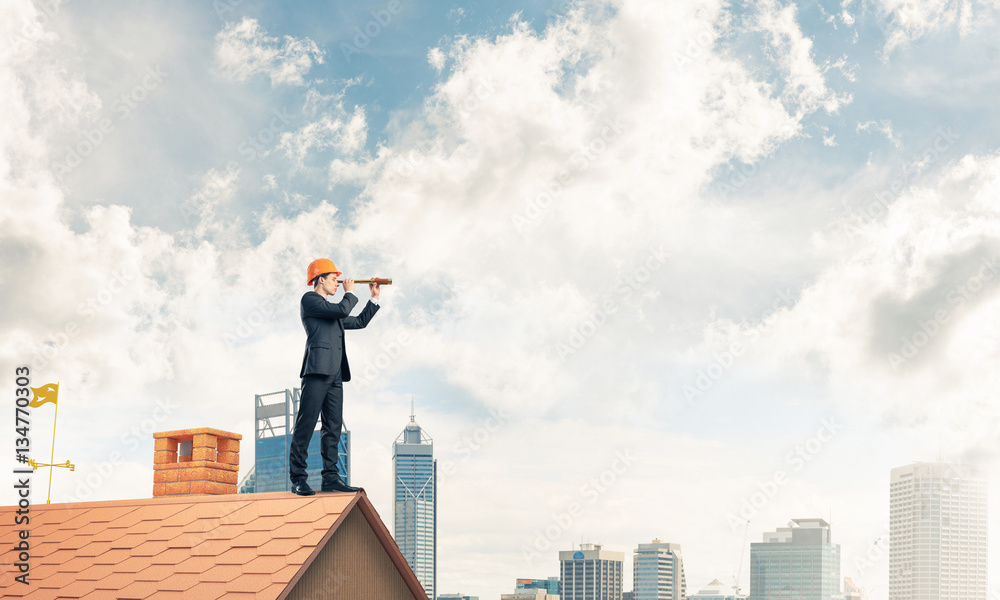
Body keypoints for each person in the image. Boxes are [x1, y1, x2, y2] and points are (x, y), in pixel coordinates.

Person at [290, 258, 381, 496]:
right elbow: (342, 308)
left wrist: (373, 298)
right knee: (306, 424)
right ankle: (298, 478)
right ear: (320, 279)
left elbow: (359, 322)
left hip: (336, 375)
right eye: (333, 279)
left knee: (333, 426)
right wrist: (350, 292)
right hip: (317, 371)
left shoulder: (332, 312)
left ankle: (330, 478)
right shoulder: (310, 300)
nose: (337, 283)